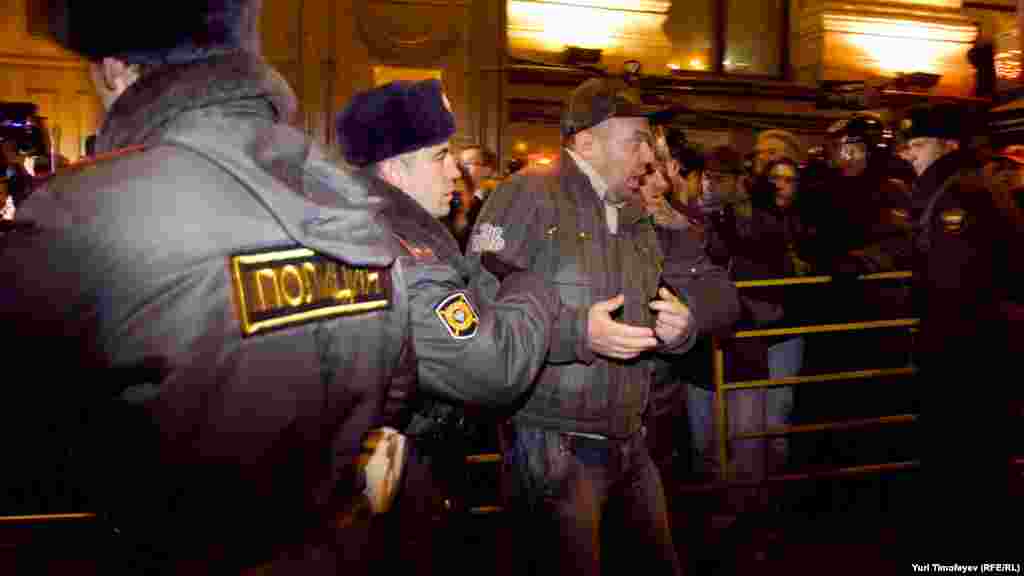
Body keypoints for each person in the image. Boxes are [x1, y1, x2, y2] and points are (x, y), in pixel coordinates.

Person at [0, 2, 548, 573]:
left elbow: (27, 433)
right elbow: (392, 382)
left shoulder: (82, 213)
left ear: (116, 70)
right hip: (339, 544)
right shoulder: (343, 199)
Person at [468, 77, 740, 575]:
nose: (649, 157)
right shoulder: (527, 195)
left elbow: (692, 295)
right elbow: (481, 311)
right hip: (553, 441)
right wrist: (577, 333)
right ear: (587, 142)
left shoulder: (634, 214)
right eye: (636, 141)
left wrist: (681, 329)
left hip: (629, 436)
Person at [335, 79, 561, 574]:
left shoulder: (365, 228)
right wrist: (533, 285)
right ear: (394, 169)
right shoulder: (402, 251)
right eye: (439, 156)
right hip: (406, 475)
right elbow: (493, 367)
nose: (455, 170)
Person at [899, 102, 1014, 556]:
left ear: (947, 145)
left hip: (963, 346)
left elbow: (953, 281)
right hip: (971, 342)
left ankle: (964, 544)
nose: (909, 153)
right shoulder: (958, 186)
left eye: (918, 144)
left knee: (963, 449)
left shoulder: (959, 194)